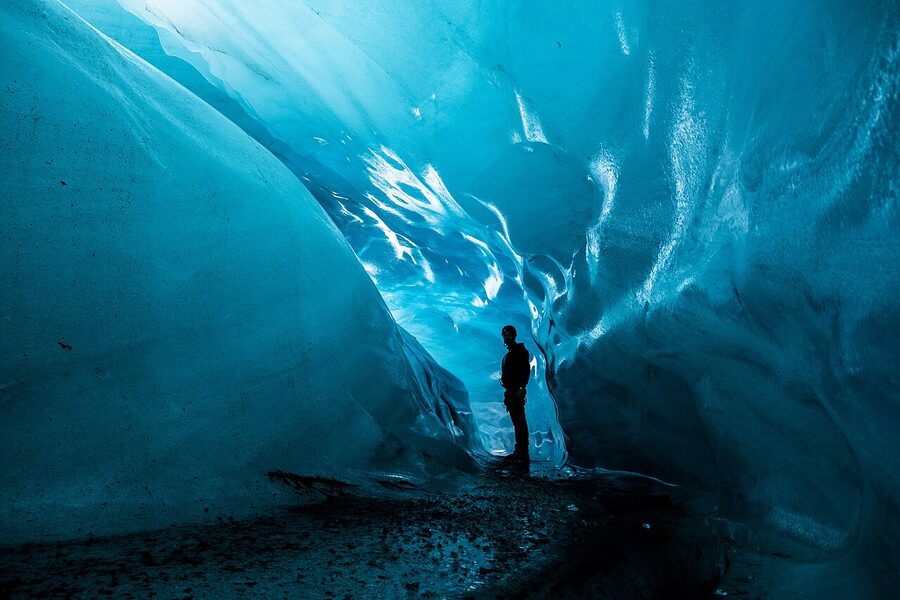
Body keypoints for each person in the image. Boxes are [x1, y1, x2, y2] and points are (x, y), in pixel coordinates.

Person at [500, 325, 530, 461]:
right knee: (517, 421)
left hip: (516, 392)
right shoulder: (508, 355)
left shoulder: (520, 352)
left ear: (514, 335)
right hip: (510, 392)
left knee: (519, 421)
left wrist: (521, 388)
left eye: (509, 334)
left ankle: (522, 451)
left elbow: (525, 371)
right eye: (505, 335)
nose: (506, 337)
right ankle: (520, 450)